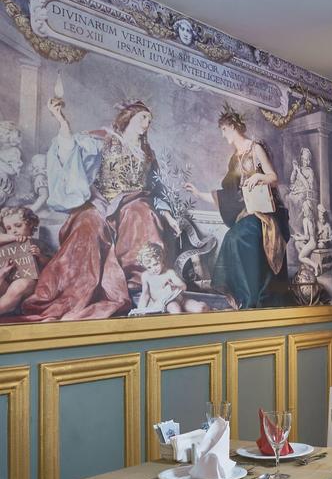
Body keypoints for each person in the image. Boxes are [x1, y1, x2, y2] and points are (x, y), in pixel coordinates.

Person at [21, 98, 180, 320]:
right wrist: (62, 122)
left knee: (142, 214)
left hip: (133, 201)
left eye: (149, 120)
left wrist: (168, 216)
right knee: (87, 222)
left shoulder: (147, 153)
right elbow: (70, 150)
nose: (147, 123)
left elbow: (157, 188)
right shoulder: (104, 138)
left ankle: (137, 284)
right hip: (100, 200)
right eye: (143, 117)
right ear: (129, 117)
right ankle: (75, 289)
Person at [185, 103, 288, 309]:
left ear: (233, 127)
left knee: (238, 237)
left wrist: (259, 177)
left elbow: (274, 178)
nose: (223, 135)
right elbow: (228, 195)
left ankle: (254, 297)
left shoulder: (255, 148)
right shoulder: (234, 159)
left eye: (224, 130)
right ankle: (245, 296)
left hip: (266, 213)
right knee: (232, 239)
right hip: (248, 212)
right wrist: (198, 193)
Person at [130, 242, 208, 315]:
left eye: (155, 264)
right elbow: (145, 295)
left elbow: (183, 286)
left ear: (161, 259)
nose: (153, 269)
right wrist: (140, 310)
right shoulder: (146, 276)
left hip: (180, 299)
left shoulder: (169, 273)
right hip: (166, 303)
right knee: (175, 309)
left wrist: (175, 286)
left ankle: (205, 307)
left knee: (200, 308)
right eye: (149, 267)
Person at [0, 206, 50, 315]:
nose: (13, 231)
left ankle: (5, 307)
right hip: (8, 282)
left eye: (18, 226)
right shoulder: (6, 246)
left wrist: (39, 256)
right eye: (8, 228)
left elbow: (52, 264)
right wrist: (3, 273)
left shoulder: (38, 243)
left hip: (29, 283)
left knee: (20, 284)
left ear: (30, 224)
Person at [292, 199, 318, 275]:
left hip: (311, 244)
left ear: (306, 209)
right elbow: (310, 235)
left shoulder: (305, 220)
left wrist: (297, 238)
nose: (302, 210)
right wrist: (300, 235)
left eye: (303, 208)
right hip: (314, 243)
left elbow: (307, 237)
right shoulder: (313, 219)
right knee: (297, 244)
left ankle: (315, 266)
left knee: (300, 257)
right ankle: (308, 267)